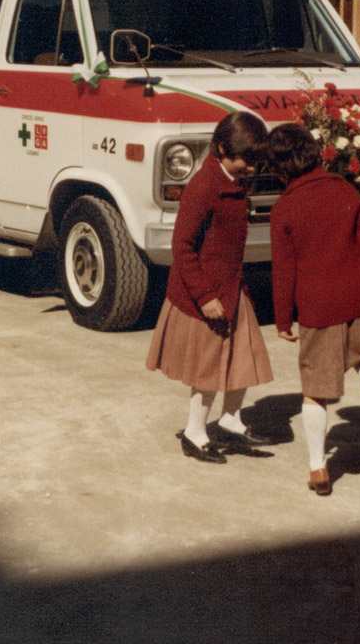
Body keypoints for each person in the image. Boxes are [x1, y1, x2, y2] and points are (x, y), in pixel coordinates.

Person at [267, 123, 360, 496]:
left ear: (279, 167)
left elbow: (284, 271)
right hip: (357, 294)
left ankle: (319, 470)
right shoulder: (345, 190)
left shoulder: (283, 210)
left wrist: (281, 318)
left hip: (317, 307)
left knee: (316, 390)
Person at [146, 111, 274, 463]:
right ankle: (195, 432)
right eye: (245, 159)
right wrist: (204, 297)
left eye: (255, 160)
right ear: (221, 148)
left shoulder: (235, 180)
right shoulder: (203, 187)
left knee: (243, 357)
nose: (250, 167)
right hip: (206, 295)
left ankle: (231, 419)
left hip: (232, 286)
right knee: (208, 369)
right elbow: (182, 246)